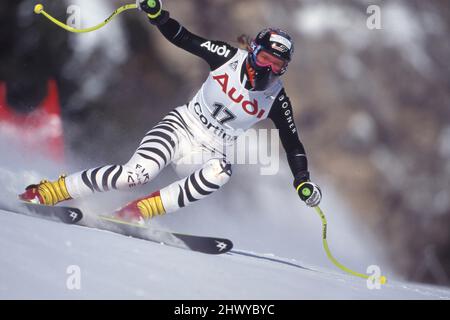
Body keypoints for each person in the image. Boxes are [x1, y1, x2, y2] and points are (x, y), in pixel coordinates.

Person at [19, 0, 322, 222]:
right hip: (181, 128)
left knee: (221, 172)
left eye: (278, 65)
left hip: (209, 152)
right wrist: (157, 15)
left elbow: (292, 141)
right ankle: (54, 189)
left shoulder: (276, 97)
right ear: (254, 51)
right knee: (134, 176)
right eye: (266, 58)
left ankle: (139, 211)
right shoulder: (227, 57)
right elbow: (184, 38)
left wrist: (302, 180)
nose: (269, 69)